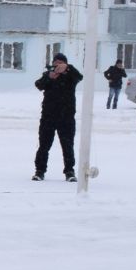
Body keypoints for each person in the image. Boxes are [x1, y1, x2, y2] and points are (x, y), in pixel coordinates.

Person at [33, 52, 83, 181]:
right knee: (44, 145)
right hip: (48, 117)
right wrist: (49, 77)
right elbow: (39, 85)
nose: (58, 66)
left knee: (67, 146)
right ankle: (40, 171)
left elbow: (80, 76)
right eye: (56, 63)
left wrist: (67, 68)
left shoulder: (70, 76)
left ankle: (69, 172)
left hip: (66, 117)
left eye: (61, 63)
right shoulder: (48, 75)